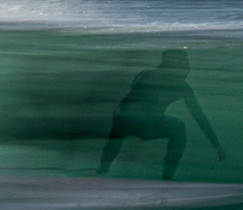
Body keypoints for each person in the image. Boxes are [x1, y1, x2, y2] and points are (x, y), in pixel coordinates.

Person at [96, 49, 224, 180]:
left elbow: (125, 101)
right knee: (178, 128)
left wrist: (118, 117)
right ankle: (167, 177)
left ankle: (103, 168)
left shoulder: (145, 73)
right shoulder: (181, 86)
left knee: (120, 126)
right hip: (144, 123)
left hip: (126, 121)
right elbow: (199, 116)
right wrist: (216, 145)